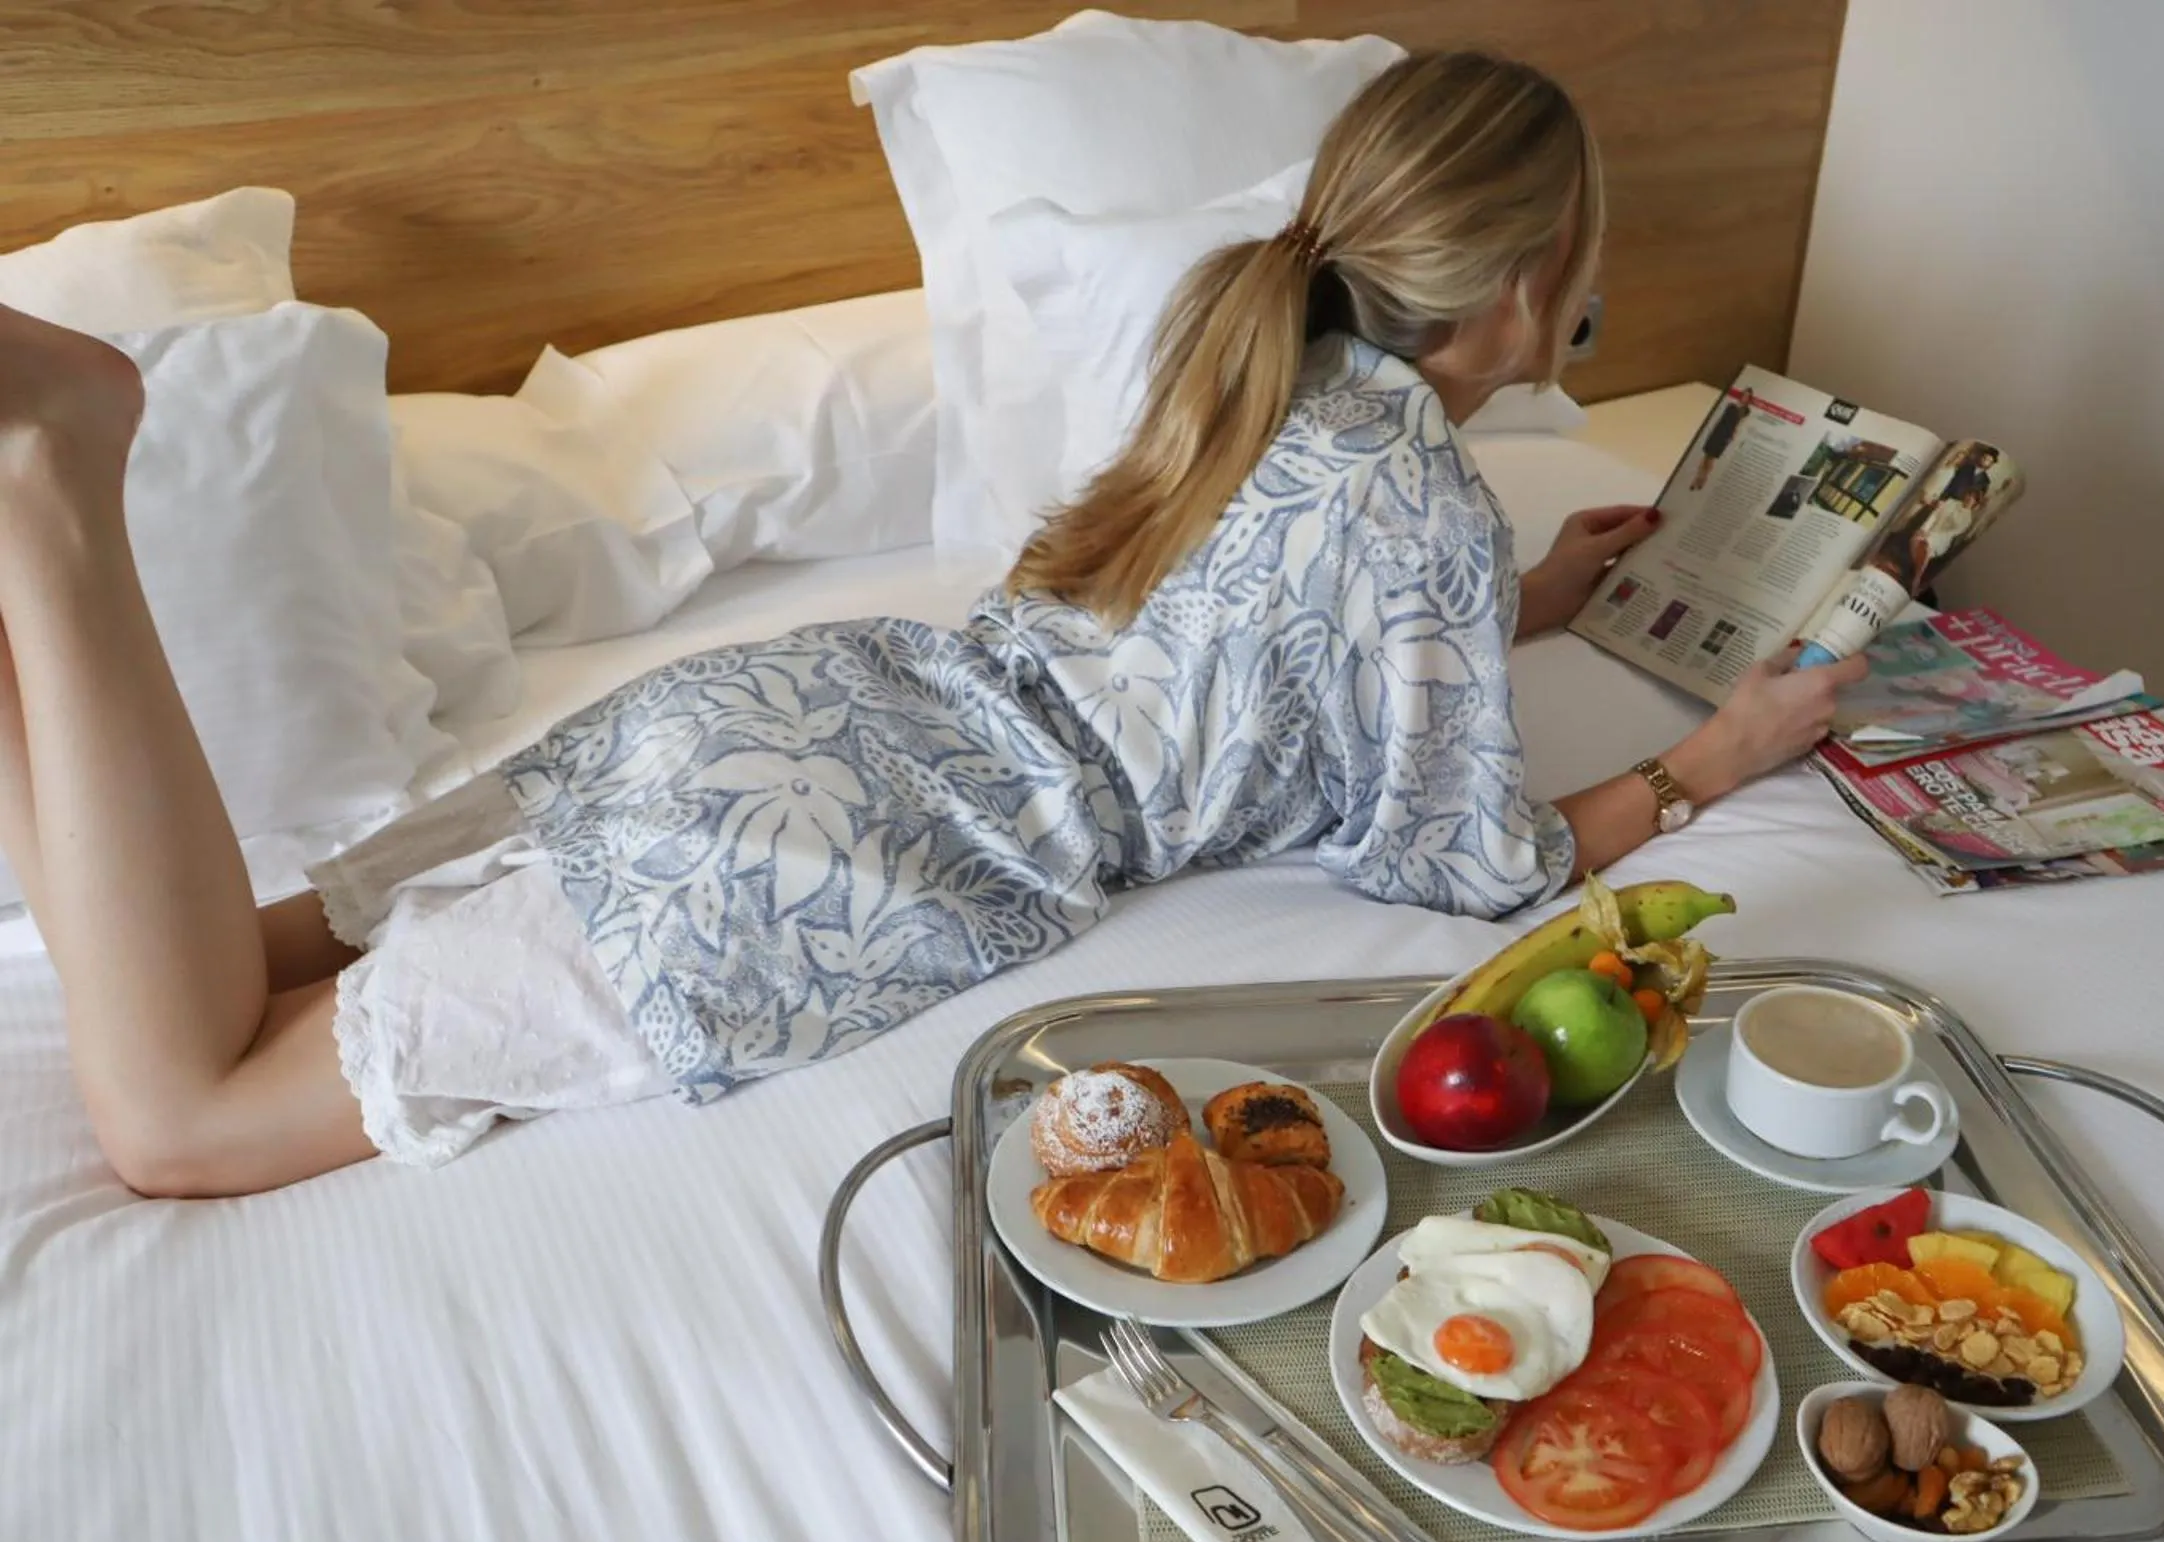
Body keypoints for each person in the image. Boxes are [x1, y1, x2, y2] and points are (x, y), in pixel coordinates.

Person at [0, 53, 1866, 1197]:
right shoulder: (1421, 506)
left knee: (213, 978)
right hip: (824, 869)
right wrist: (1715, 762)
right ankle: (59, 490)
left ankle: (22, 575)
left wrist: (1524, 604)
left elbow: (1253, 626)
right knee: (174, 1129)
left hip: (797, 721)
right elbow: (1478, 863)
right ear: (1540, 284)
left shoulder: (1261, 357)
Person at [1688, 388, 1751, 491]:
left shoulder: (1746, 411)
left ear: (1749, 399)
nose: (1745, 397)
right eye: (1744, 395)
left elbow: (1739, 425)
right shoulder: (1731, 405)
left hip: (1726, 435)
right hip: (1717, 431)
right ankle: (1695, 480)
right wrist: (1712, 431)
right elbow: (1721, 419)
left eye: (1747, 396)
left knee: (1711, 459)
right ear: (1741, 395)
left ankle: (1703, 479)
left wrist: (1732, 437)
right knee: (1705, 457)